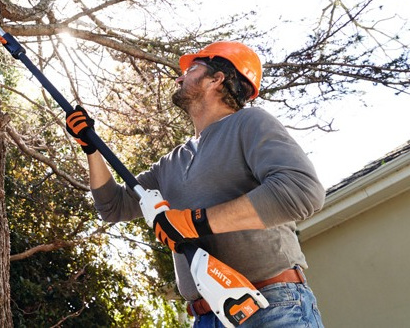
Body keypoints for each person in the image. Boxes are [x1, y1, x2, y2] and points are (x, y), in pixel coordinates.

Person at [66, 41, 325, 327]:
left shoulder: (249, 123)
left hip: (270, 306)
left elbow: (302, 191)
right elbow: (112, 206)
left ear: (216, 79)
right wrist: (92, 149)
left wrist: (195, 222)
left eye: (191, 69)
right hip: (206, 316)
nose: (179, 77)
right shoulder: (172, 163)